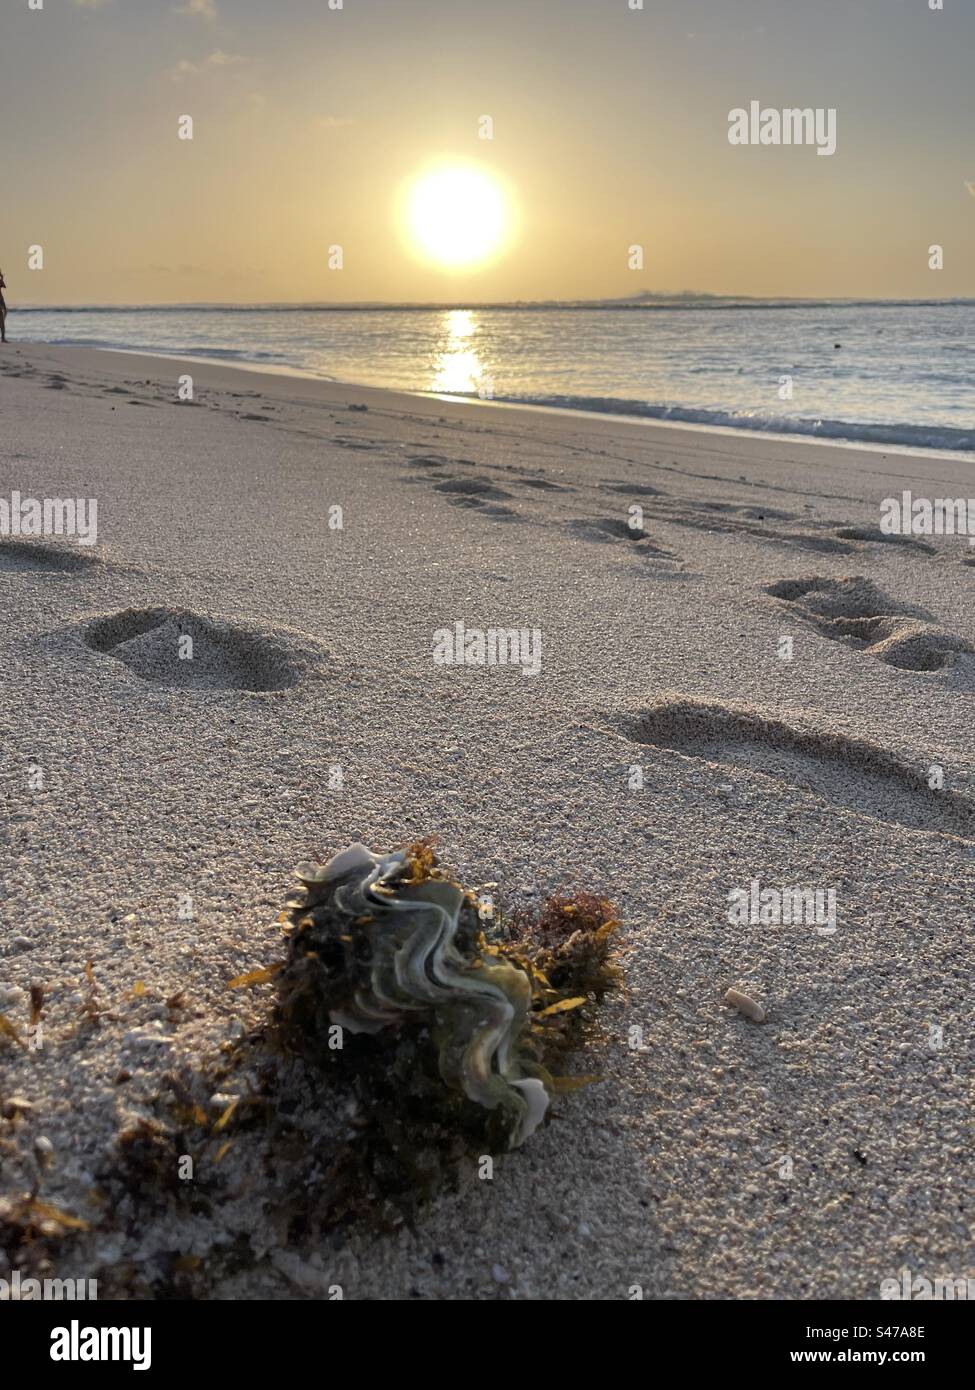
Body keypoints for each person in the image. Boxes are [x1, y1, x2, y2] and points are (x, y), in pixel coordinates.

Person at [0, 268, 7, 343]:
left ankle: (3, 338)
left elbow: (4, 286)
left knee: (5, 311)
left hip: (1, 299)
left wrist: (1, 279)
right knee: (1, 317)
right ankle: (3, 338)